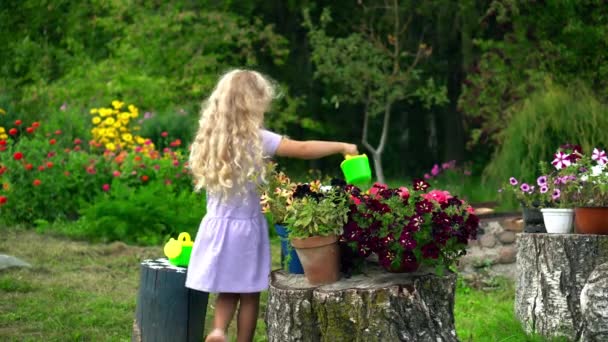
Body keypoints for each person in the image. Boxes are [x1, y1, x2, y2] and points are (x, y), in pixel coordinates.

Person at [185, 69, 358, 342]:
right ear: (254, 103)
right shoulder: (257, 139)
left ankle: (218, 330)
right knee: (250, 293)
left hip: (215, 228)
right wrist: (342, 146)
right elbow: (301, 149)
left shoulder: (212, 141)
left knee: (227, 289)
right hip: (245, 231)